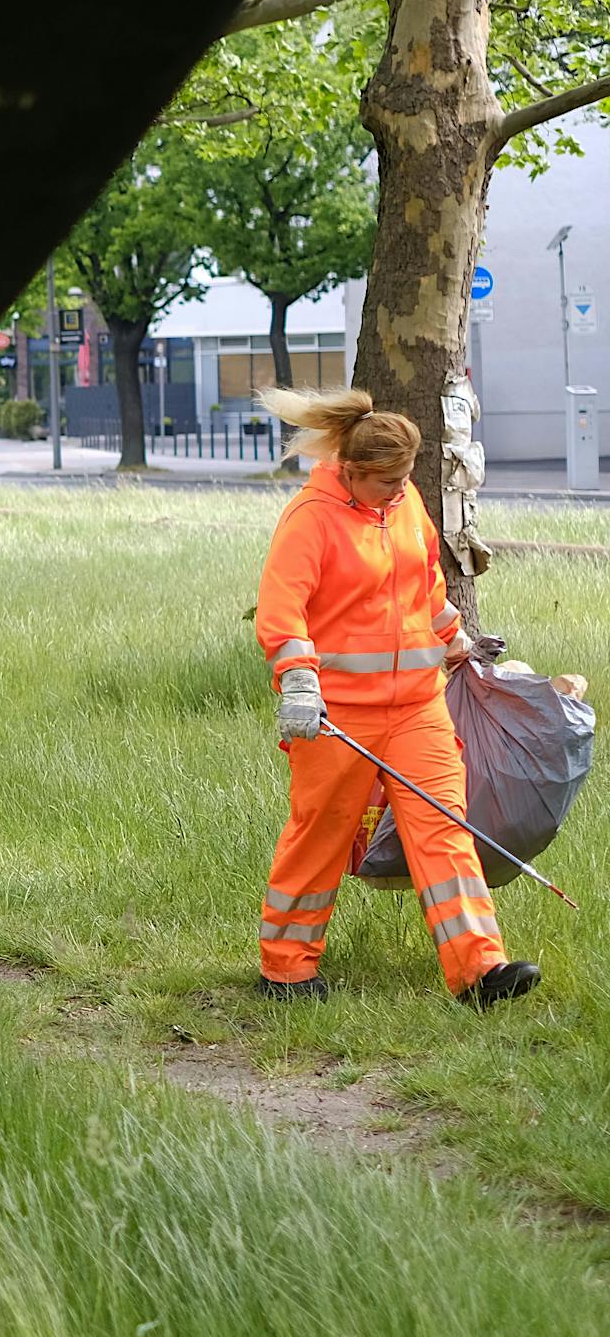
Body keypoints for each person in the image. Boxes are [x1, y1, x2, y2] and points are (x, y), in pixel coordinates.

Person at [251, 387, 540, 1008]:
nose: (400, 490)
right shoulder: (311, 518)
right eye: (387, 481)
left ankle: (479, 971)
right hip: (338, 718)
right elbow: (281, 611)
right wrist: (298, 681)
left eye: (406, 478)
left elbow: (423, 587)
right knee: (321, 833)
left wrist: (456, 639)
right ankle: (287, 968)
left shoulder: (406, 503)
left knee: (445, 828)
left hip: (416, 705)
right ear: (350, 471)